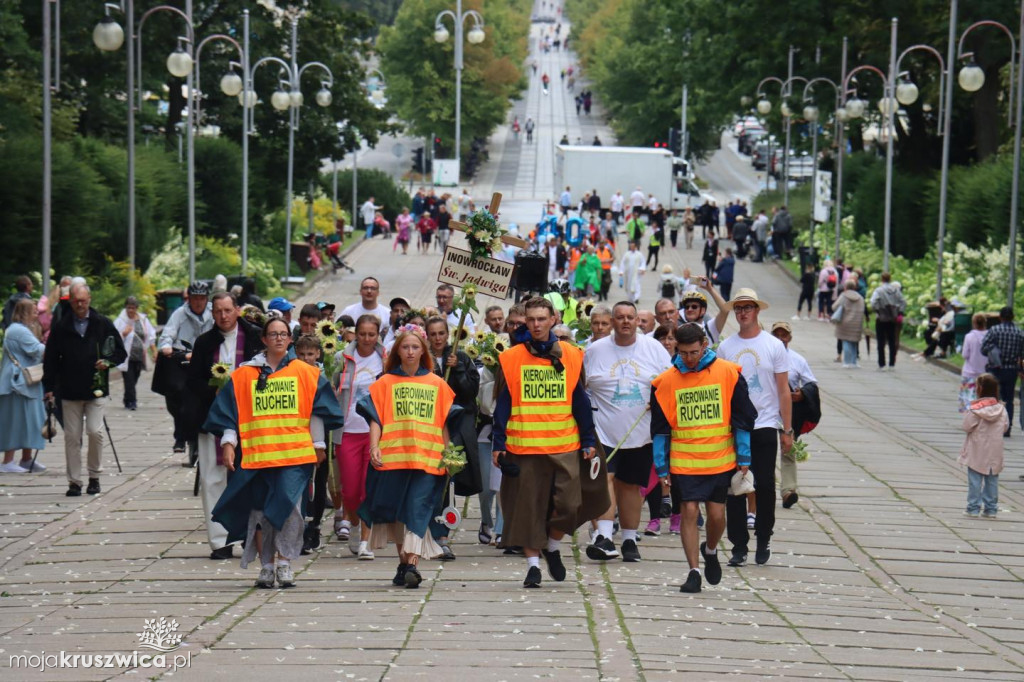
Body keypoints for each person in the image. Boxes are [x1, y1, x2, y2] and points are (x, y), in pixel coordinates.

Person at [205, 317, 343, 588]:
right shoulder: (245, 374)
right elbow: (230, 414)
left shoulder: (306, 372)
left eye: (283, 334)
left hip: (295, 456)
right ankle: (266, 565)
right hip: (258, 457)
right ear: (264, 339)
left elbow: (317, 410)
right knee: (260, 513)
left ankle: (285, 563)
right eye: (273, 334)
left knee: (290, 510)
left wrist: (319, 446)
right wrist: (229, 444)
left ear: (289, 340)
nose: (279, 338)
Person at [491, 297, 607, 588]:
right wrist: (498, 442)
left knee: (569, 505)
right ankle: (532, 566)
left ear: (553, 319)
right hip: (525, 446)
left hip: (563, 444)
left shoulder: (571, 354)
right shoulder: (513, 357)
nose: (536, 324)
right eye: (530, 320)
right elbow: (503, 403)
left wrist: (588, 438)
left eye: (541, 319)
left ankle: (552, 546)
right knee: (529, 507)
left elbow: (580, 400)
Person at [652, 322, 757, 593]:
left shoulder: (728, 373)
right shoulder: (666, 382)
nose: (688, 358)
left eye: (694, 352)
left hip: (719, 458)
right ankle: (693, 571)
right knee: (688, 510)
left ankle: (710, 550)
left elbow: (743, 418)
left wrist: (744, 456)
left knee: (716, 515)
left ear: (705, 345)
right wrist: (662, 466)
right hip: (684, 460)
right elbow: (660, 430)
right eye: (683, 353)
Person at [357, 324, 458, 588]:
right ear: (397, 351)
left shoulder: (438, 384)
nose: (411, 352)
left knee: (418, 508)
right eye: (405, 347)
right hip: (394, 458)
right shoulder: (385, 383)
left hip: (428, 459)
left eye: (415, 347)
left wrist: (450, 455)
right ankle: (404, 562)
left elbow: (445, 422)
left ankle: (412, 563)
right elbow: (375, 418)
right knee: (397, 513)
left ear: (423, 351)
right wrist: (374, 446)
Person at [584, 301, 672, 563]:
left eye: (630, 318)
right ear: (612, 321)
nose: (625, 322)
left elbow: (669, 383)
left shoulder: (653, 348)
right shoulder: (596, 350)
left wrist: (658, 402)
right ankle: (605, 536)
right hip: (604, 430)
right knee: (605, 480)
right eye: (619, 317)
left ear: (637, 321)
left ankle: (630, 540)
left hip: (640, 432)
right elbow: (582, 387)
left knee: (631, 487)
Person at [717, 288, 793, 567]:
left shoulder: (773, 345)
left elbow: (783, 390)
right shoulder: (727, 347)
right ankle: (738, 545)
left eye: (748, 307)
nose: (743, 312)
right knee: (735, 485)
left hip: (764, 424)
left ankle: (764, 537)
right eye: (738, 308)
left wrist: (787, 430)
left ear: (757, 311)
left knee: (763, 484)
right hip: (735, 426)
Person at [186, 292, 263, 560]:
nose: (223, 316)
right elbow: (193, 381)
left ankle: (248, 536)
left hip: (252, 418)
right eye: (218, 311)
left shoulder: (255, 336)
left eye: (228, 310)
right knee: (213, 477)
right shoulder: (205, 342)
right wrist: (214, 391)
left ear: (237, 310)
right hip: (214, 417)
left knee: (248, 478)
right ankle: (220, 541)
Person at [42, 283, 127, 496]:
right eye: (76, 300)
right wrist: (49, 387)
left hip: (96, 388)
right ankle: (74, 481)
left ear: (89, 298)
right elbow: (51, 358)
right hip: (69, 389)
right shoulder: (61, 326)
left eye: (83, 300)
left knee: (95, 432)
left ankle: (94, 476)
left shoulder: (102, 323)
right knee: (72, 436)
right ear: (70, 301)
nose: (80, 304)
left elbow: (120, 352)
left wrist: (107, 362)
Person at [425, 316, 481, 560]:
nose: (438, 338)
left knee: (446, 480)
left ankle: (443, 535)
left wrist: (457, 367)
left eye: (441, 333)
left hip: (454, 428)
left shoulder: (461, 358)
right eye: (433, 334)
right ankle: (424, 531)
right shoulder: (422, 359)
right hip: (427, 428)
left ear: (448, 334)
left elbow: (470, 393)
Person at [332, 314, 387, 558]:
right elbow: (330, 388)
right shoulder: (341, 357)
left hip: (374, 433)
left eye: (371, 334)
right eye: (362, 334)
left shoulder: (385, 359)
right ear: (356, 333)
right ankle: (354, 525)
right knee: (351, 491)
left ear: (378, 335)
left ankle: (366, 540)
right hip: (347, 431)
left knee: (368, 489)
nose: (366, 339)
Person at [156, 281, 212, 457]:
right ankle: (181, 435)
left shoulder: (213, 312)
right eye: (195, 298)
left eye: (201, 298)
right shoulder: (180, 313)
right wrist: (166, 346)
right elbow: (168, 333)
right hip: (183, 359)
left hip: (207, 361)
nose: (198, 302)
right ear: (189, 299)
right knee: (177, 394)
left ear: (206, 299)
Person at [770, 321, 818, 508]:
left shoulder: (798, 360)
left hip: (788, 413)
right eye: (777, 335)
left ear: (790, 338)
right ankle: (763, 488)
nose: (781, 339)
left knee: (788, 450)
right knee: (765, 451)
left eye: (784, 335)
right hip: (765, 411)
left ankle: (788, 490)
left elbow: (811, 383)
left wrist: (802, 394)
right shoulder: (764, 356)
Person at [0, 299, 47, 473]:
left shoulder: (17, 329)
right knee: (16, 420)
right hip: (18, 383)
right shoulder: (19, 330)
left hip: (24, 382)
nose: (37, 314)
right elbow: (37, 350)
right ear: (25, 312)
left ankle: (26, 459)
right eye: (34, 311)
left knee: (30, 421)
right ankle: (8, 461)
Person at [958, 374, 1007, 518]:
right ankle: (991, 508)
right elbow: (1005, 426)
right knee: (992, 480)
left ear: (979, 389)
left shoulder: (976, 409)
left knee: (975, 479)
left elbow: (967, 426)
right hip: (995, 449)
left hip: (977, 448)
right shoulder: (1001, 409)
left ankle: (973, 507)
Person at [981, 306, 1024, 437]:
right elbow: (1022, 354)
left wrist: (994, 351)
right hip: (1011, 370)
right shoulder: (1019, 333)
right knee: (1008, 399)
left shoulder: (994, 330)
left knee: (993, 398)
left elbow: (983, 348)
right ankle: (1007, 426)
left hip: (996, 369)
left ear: (1000, 317)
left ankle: (993, 425)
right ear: (1013, 317)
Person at [114, 296, 156, 411]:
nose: (130, 310)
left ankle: (127, 398)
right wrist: (123, 334)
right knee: (129, 380)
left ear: (137, 308)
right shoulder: (120, 321)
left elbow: (151, 335)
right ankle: (132, 402)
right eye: (128, 308)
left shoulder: (142, 320)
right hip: (126, 357)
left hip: (139, 356)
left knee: (134, 378)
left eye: (133, 308)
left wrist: (154, 350)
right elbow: (113, 338)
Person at [869, 272, 907, 369]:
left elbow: (873, 302)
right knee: (892, 340)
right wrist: (899, 312)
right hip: (893, 317)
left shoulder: (879, 290)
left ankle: (882, 363)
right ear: (890, 279)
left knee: (881, 341)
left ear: (882, 279)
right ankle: (892, 362)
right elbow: (903, 301)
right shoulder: (895, 290)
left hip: (881, 317)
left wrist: (877, 309)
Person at [960, 314, 989, 412]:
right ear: (985, 323)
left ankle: (970, 419)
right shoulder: (989, 336)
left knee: (968, 398)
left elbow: (965, 355)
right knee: (983, 397)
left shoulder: (969, 336)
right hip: (985, 372)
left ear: (974, 323)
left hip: (969, 372)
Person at [833, 280, 865, 368]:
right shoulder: (860, 297)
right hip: (857, 323)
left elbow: (834, 306)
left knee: (845, 340)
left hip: (845, 322)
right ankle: (854, 362)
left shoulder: (843, 296)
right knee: (854, 342)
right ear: (855, 287)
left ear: (845, 287)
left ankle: (846, 361)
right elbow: (863, 309)